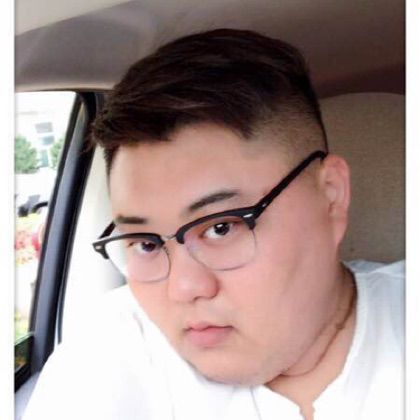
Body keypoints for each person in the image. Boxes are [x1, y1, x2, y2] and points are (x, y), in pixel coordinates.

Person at [23, 29, 404, 420]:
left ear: (331, 196)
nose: (183, 289)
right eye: (146, 243)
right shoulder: (106, 358)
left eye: (222, 227)